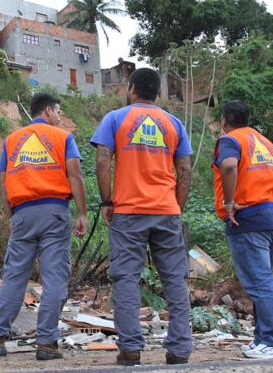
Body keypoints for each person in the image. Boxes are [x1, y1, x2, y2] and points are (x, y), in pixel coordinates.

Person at [0, 93, 88, 361]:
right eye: (58, 112)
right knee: (55, 279)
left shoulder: (11, 141)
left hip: (22, 214)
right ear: (48, 111)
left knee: (13, 278)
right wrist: (82, 212)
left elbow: (3, 183)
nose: (60, 117)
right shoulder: (63, 138)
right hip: (54, 213)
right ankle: (47, 344)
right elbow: (75, 175)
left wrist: (10, 215)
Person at [90, 68, 193, 366]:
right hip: (166, 212)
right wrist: (176, 207)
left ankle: (131, 349)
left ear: (132, 88)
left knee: (126, 279)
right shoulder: (173, 123)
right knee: (175, 279)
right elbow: (185, 169)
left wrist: (107, 201)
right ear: (157, 92)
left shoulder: (115, 118)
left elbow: (102, 159)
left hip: (128, 212)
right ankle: (179, 350)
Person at [212, 100, 273, 360]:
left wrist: (229, 202)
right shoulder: (264, 143)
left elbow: (228, 165)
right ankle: (263, 339)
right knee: (264, 282)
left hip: (247, 219)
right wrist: (272, 199)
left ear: (224, 120)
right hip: (271, 217)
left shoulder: (230, 140)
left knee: (259, 283)